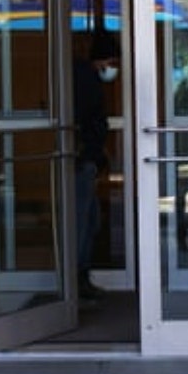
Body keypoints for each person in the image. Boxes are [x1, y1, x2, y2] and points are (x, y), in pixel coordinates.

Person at [72, 28, 120, 300]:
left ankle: (82, 277)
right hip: (82, 161)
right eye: (111, 63)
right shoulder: (85, 81)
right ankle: (78, 279)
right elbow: (89, 122)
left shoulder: (85, 79)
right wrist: (91, 153)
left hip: (86, 160)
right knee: (83, 221)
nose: (112, 69)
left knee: (90, 220)